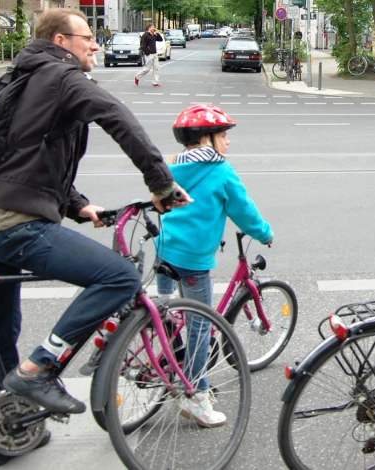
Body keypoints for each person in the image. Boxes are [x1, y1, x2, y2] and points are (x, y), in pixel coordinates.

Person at [0, 9, 189, 466]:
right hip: (15, 223)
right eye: (89, 38)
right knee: (120, 276)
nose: (96, 45)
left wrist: (75, 204)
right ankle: (39, 370)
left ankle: (3, 435)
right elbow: (119, 118)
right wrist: (161, 183)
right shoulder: (62, 77)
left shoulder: (22, 76)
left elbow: (27, 153)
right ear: (62, 40)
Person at [155, 104, 273, 427]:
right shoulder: (221, 170)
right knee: (199, 325)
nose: (228, 142)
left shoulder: (171, 166)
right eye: (223, 135)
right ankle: (197, 395)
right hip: (193, 260)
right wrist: (264, 233)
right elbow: (243, 210)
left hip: (163, 250)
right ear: (206, 139)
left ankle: (167, 363)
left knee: (167, 312)